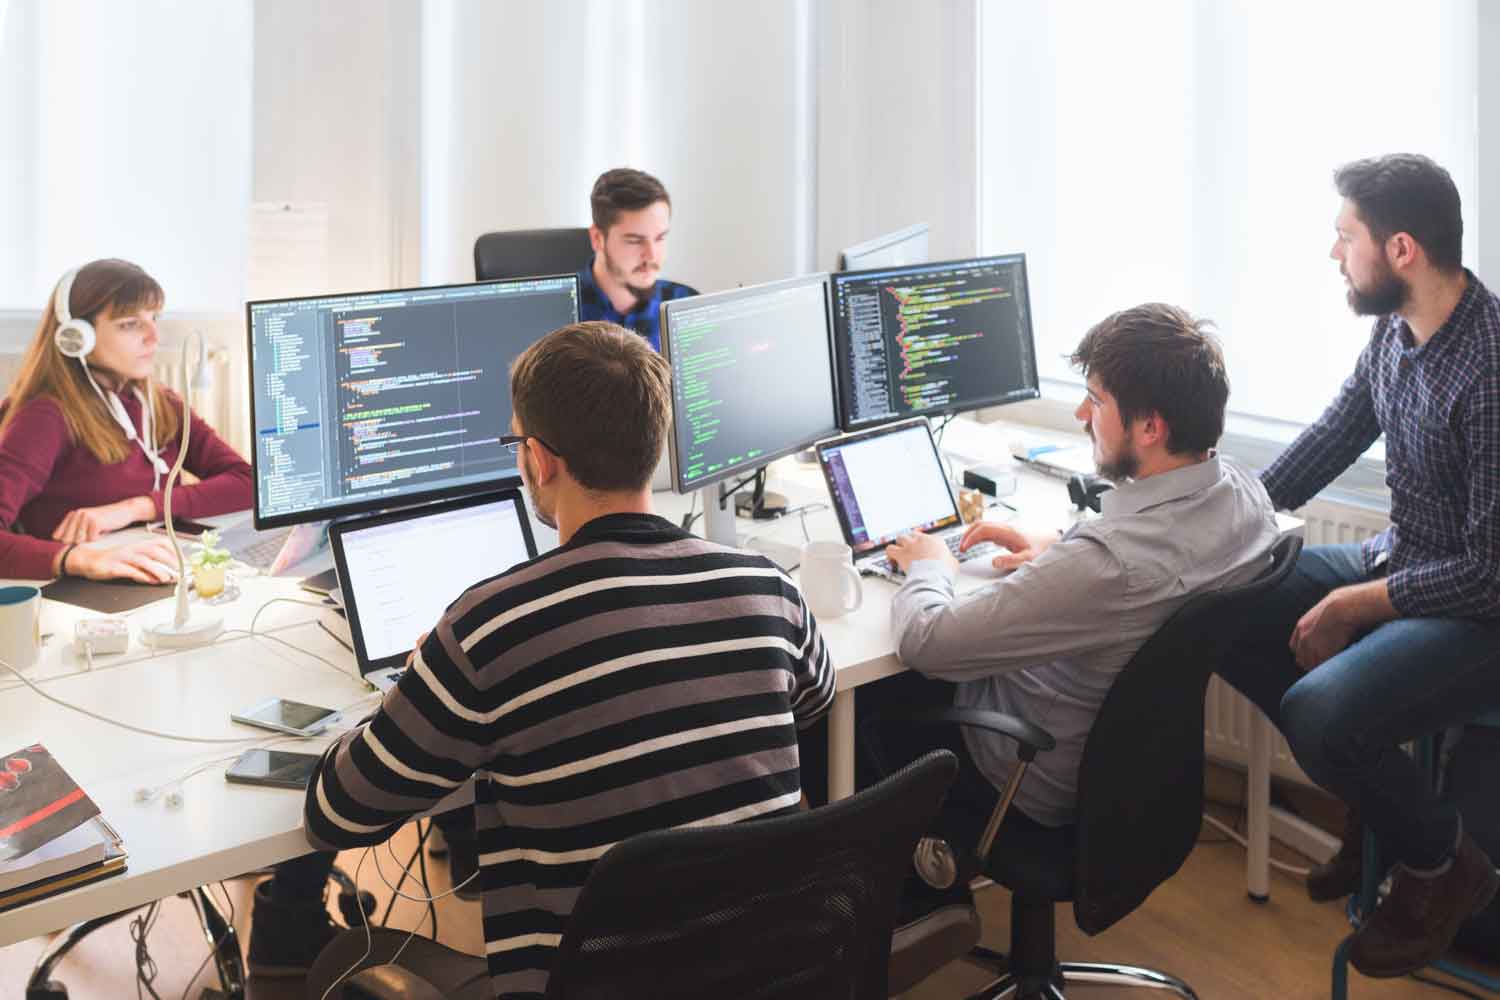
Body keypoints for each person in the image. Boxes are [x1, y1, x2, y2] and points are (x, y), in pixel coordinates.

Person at [302, 320, 834, 999]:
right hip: (766, 972)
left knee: (343, 960)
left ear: (539, 460)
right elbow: (816, 701)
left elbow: (338, 813)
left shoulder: (487, 628)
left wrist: (415, 690)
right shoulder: (769, 586)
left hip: (586, 986)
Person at [811, 303, 1279, 912]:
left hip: (1030, 774)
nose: (1083, 416)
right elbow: (1152, 570)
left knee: (836, 701)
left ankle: (910, 910)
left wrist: (930, 562)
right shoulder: (1243, 496)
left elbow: (927, 641)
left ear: (1150, 428)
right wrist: (1053, 550)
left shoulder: (1107, 564)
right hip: (1134, 781)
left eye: (1097, 401)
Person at [1216, 153, 1500, 979]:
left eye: (1346, 237)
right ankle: (1376, 812)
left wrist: (1357, 605)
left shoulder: (1489, 371)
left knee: (1323, 715)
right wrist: (1228, 526)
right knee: (1224, 604)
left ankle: (1442, 864)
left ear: (1402, 248)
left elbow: (1490, 574)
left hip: (1478, 613)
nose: (1334, 253)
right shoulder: (1397, 330)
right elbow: (1335, 435)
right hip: (1406, 565)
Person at [0, 260, 251, 581]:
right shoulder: (43, 417)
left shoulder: (159, 402)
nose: (153, 336)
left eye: (154, 318)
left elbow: (246, 481)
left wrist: (137, 507)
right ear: (77, 337)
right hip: (76, 591)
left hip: (151, 567)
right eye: (130, 324)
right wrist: (78, 559)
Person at [576, 167, 698, 352]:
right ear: (597, 238)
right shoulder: (559, 311)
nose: (651, 255)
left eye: (660, 238)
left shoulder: (687, 305)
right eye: (635, 241)